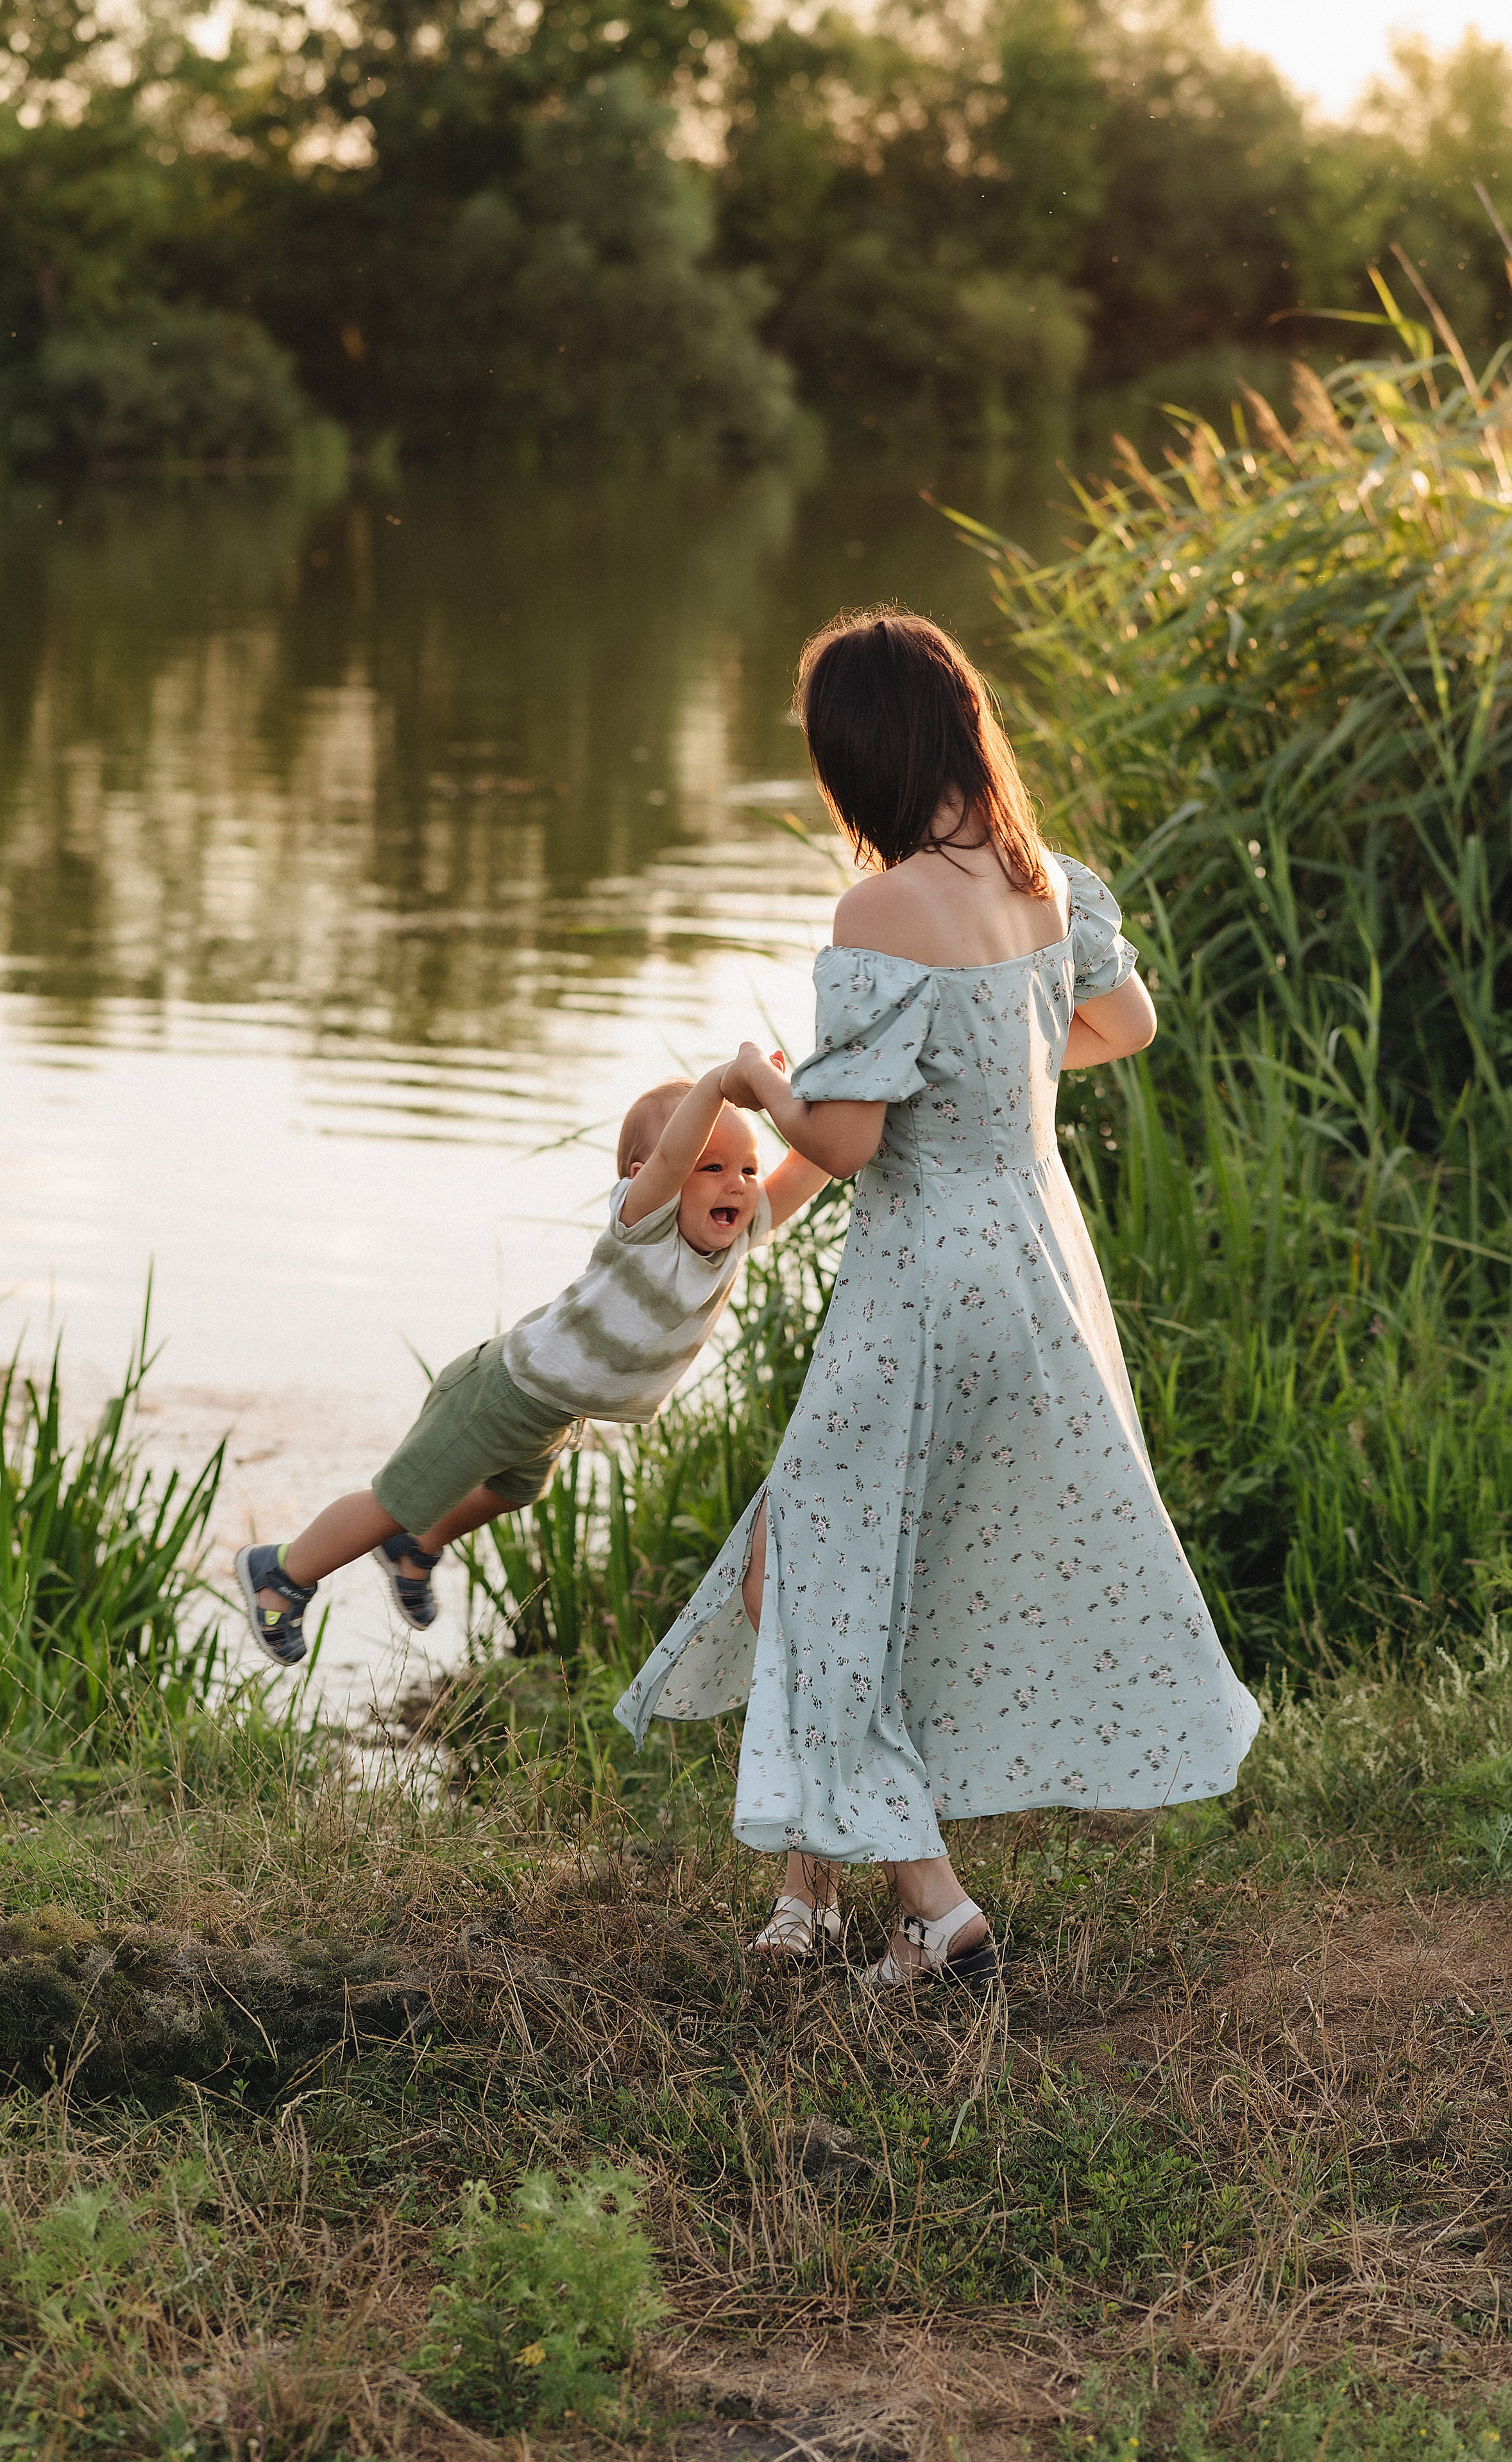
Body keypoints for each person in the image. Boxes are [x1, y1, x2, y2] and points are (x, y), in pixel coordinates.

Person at [615, 609, 1261, 1991]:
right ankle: (826, 1893)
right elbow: (1122, 1025)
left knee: (825, 1562)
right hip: (1033, 1248)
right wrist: (992, 1074)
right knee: (845, 1551)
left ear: (863, 756)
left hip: (922, 1272)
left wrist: (751, 1083)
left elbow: (845, 1142)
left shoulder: (878, 908)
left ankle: (933, 1904)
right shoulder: (1045, 880)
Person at [235, 1069, 828, 1665]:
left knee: (515, 1492)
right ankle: (281, 1574)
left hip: (550, 1413)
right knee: (395, 1499)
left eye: (749, 1170)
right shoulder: (643, 1226)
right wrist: (724, 1083)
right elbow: (675, 1151)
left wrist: (855, 1089)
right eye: (713, 1168)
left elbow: (810, 1166)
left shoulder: (737, 1237)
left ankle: (415, 1547)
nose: (739, 1185)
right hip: (501, 1395)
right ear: (648, 1180)